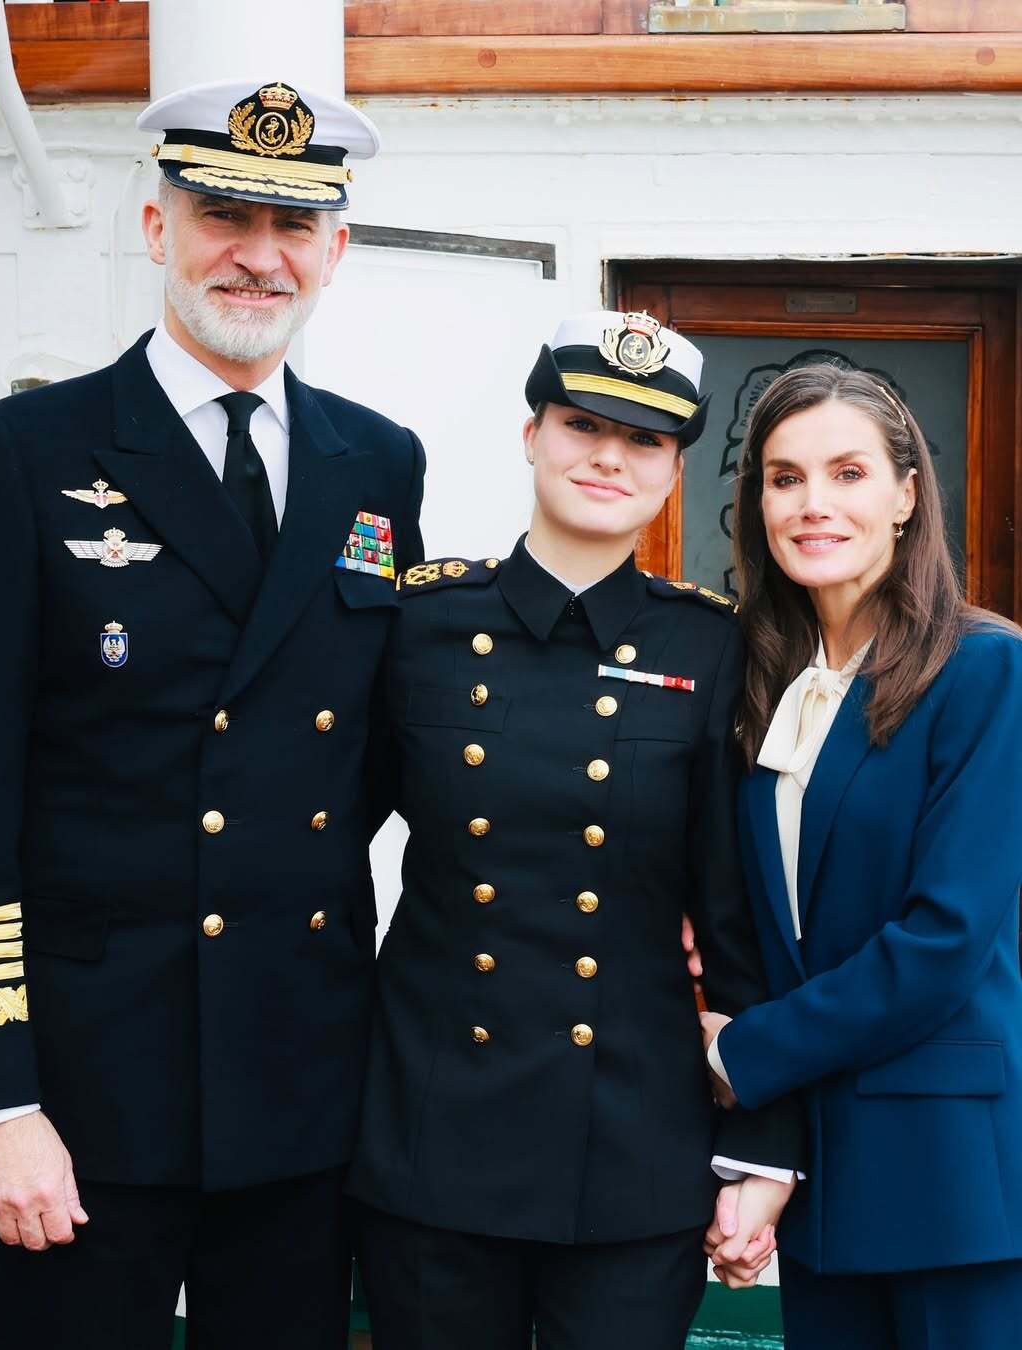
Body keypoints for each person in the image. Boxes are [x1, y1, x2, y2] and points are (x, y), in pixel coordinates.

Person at [0, 77, 424, 1350]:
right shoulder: (21, 453)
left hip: (300, 1075)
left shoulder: (379, 461)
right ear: (156, 227)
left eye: (293, 229)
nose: (257, 258)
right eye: (222, 216)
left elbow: (374, 749)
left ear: (337, 248)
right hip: (85, 1093)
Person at [346, 310, 805, 1350]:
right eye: (580, 424)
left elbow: (738, 917)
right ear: (531, 436)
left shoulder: (713, 644)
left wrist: (761, 1145)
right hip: (433, 1130)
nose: (608, 456)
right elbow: (318, 850)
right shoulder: (417, 625)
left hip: (633, 1142)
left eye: (643, 439)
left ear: (675, 466)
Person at [699, 363, 1022, 1349]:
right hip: (826, 1172)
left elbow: (944, 939)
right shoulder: (759, 679)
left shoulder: (985, 668)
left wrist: (739, 1055)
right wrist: (764, 1157)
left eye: (847, 472)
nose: (813, 505)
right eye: (785, 479)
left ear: (906, 492)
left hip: (949, 1169)